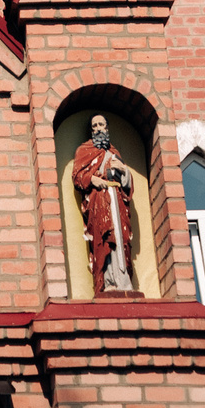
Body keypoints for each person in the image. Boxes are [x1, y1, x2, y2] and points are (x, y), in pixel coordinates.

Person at [70, 113, 138, 295]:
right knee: (104, 239)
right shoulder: (84, 151)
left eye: (101, 125)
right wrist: (92, 179)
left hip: (117, 202)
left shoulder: (114, 152)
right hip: (99, 202)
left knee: (121, 239)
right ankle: (107, 281)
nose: (98, 128)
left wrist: (124, 171)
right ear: (91, 130)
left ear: (107, 128)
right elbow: (77, 176)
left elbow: (127, 184)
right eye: (95, 126)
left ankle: (123, 281)